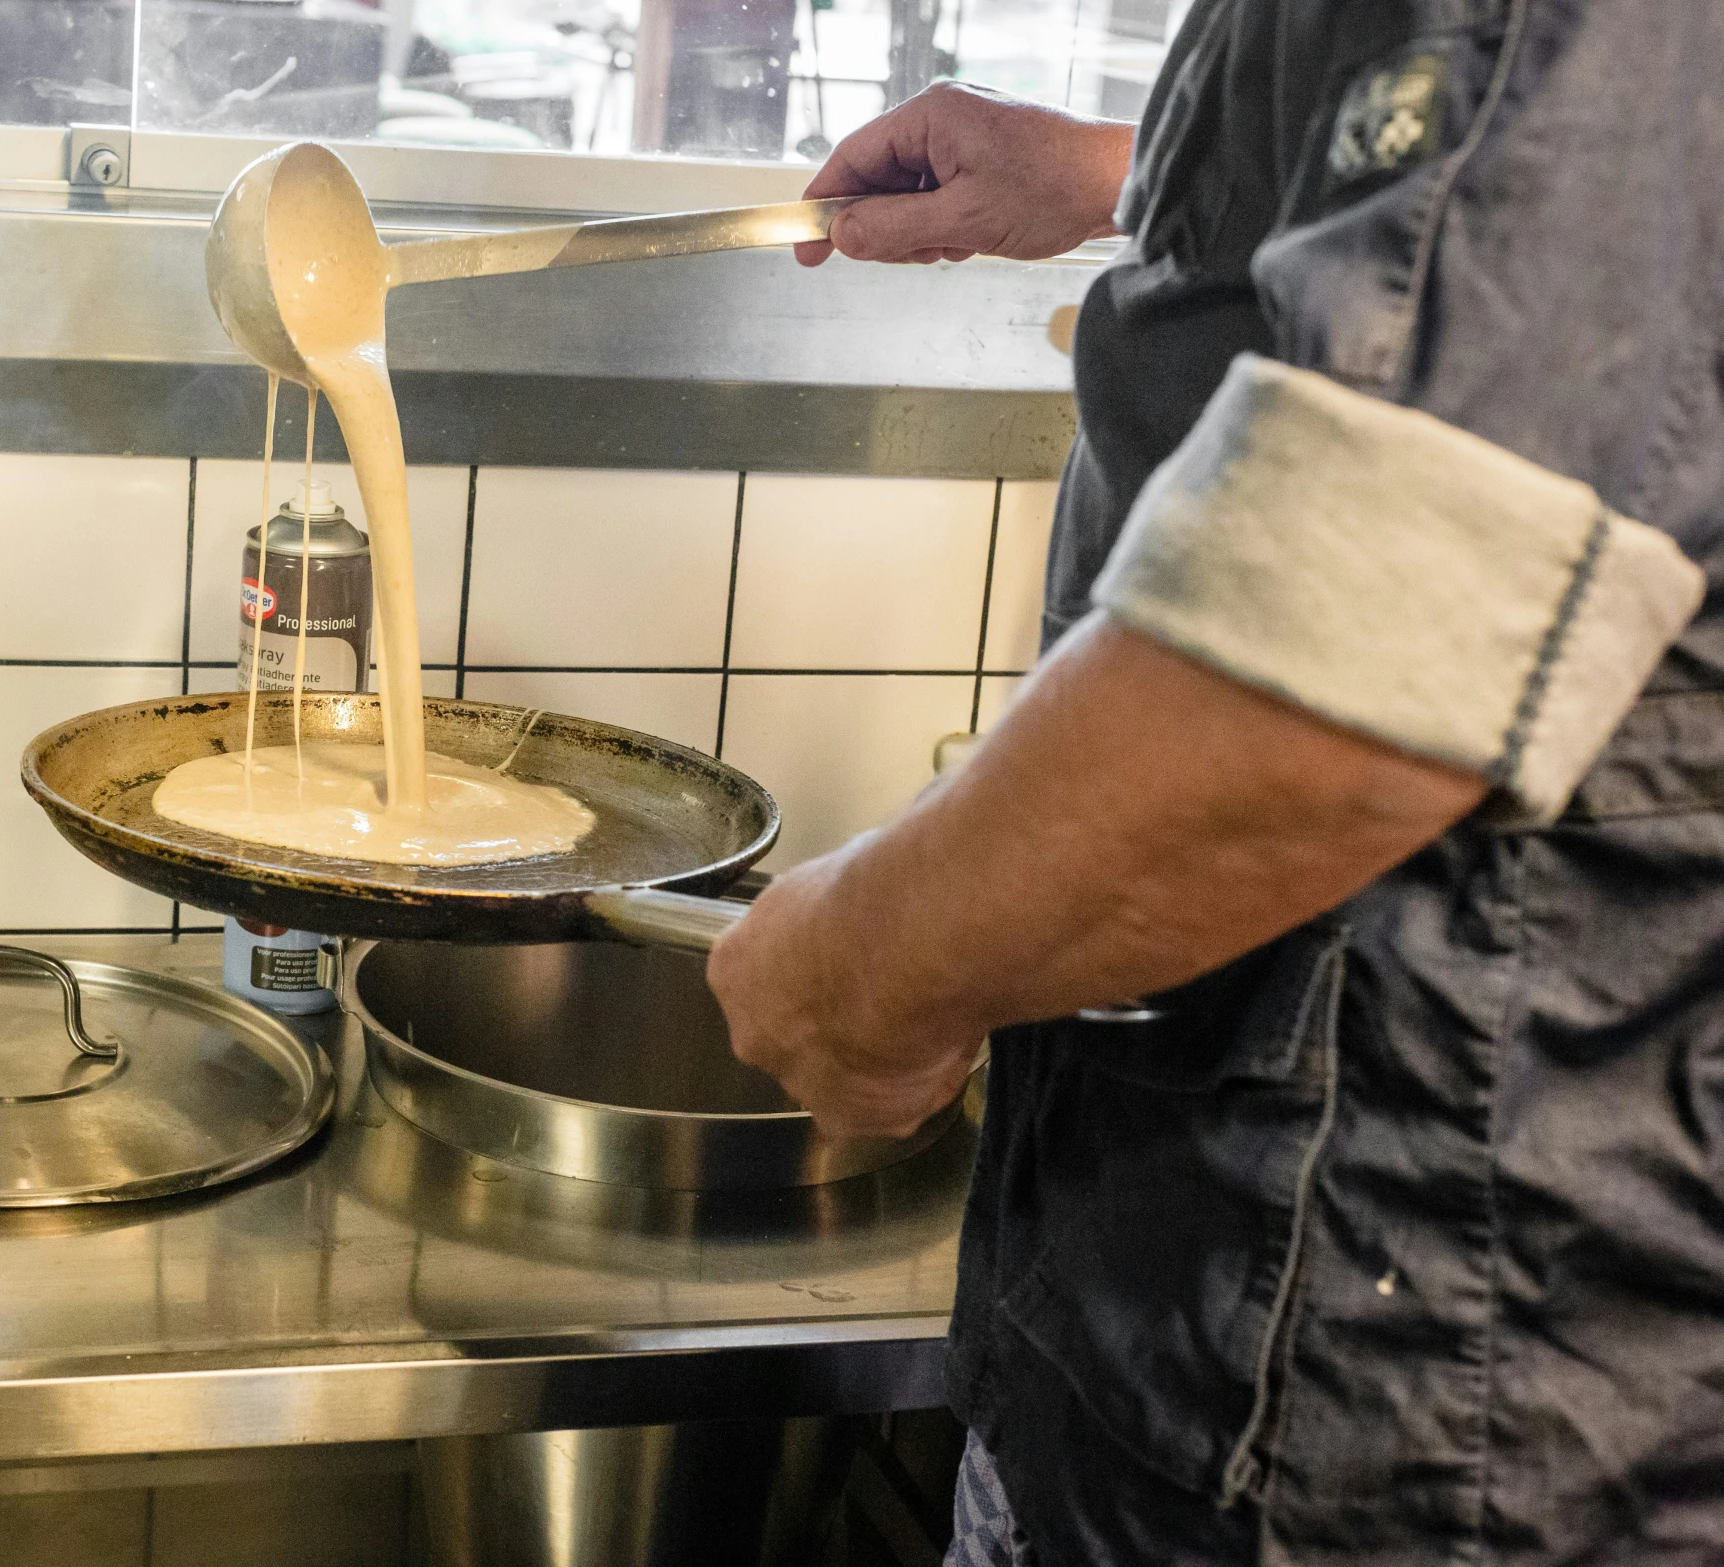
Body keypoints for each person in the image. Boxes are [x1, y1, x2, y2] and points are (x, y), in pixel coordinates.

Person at [707, 4, 1724, 1562]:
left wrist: (864, 970)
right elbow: (1547, 235)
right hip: (1247, 1309)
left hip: (1397, 1371)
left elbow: (1359, 661)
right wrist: (1139, 179)